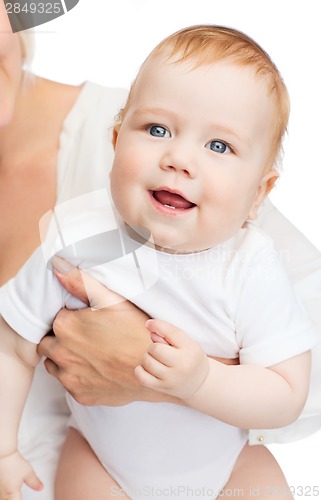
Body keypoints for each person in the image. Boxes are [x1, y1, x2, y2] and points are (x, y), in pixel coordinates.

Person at [1, 3, 320, 497]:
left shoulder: (248, 264)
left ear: (259, 193)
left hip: (227, 470)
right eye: (156, 130)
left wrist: (201, 382)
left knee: (264, 484)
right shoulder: (83, 238)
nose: (178, 159)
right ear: (114, 143)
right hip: (104, 463)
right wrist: (4, 448)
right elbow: (13, 343)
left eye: (219, 146)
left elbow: (287, 394)